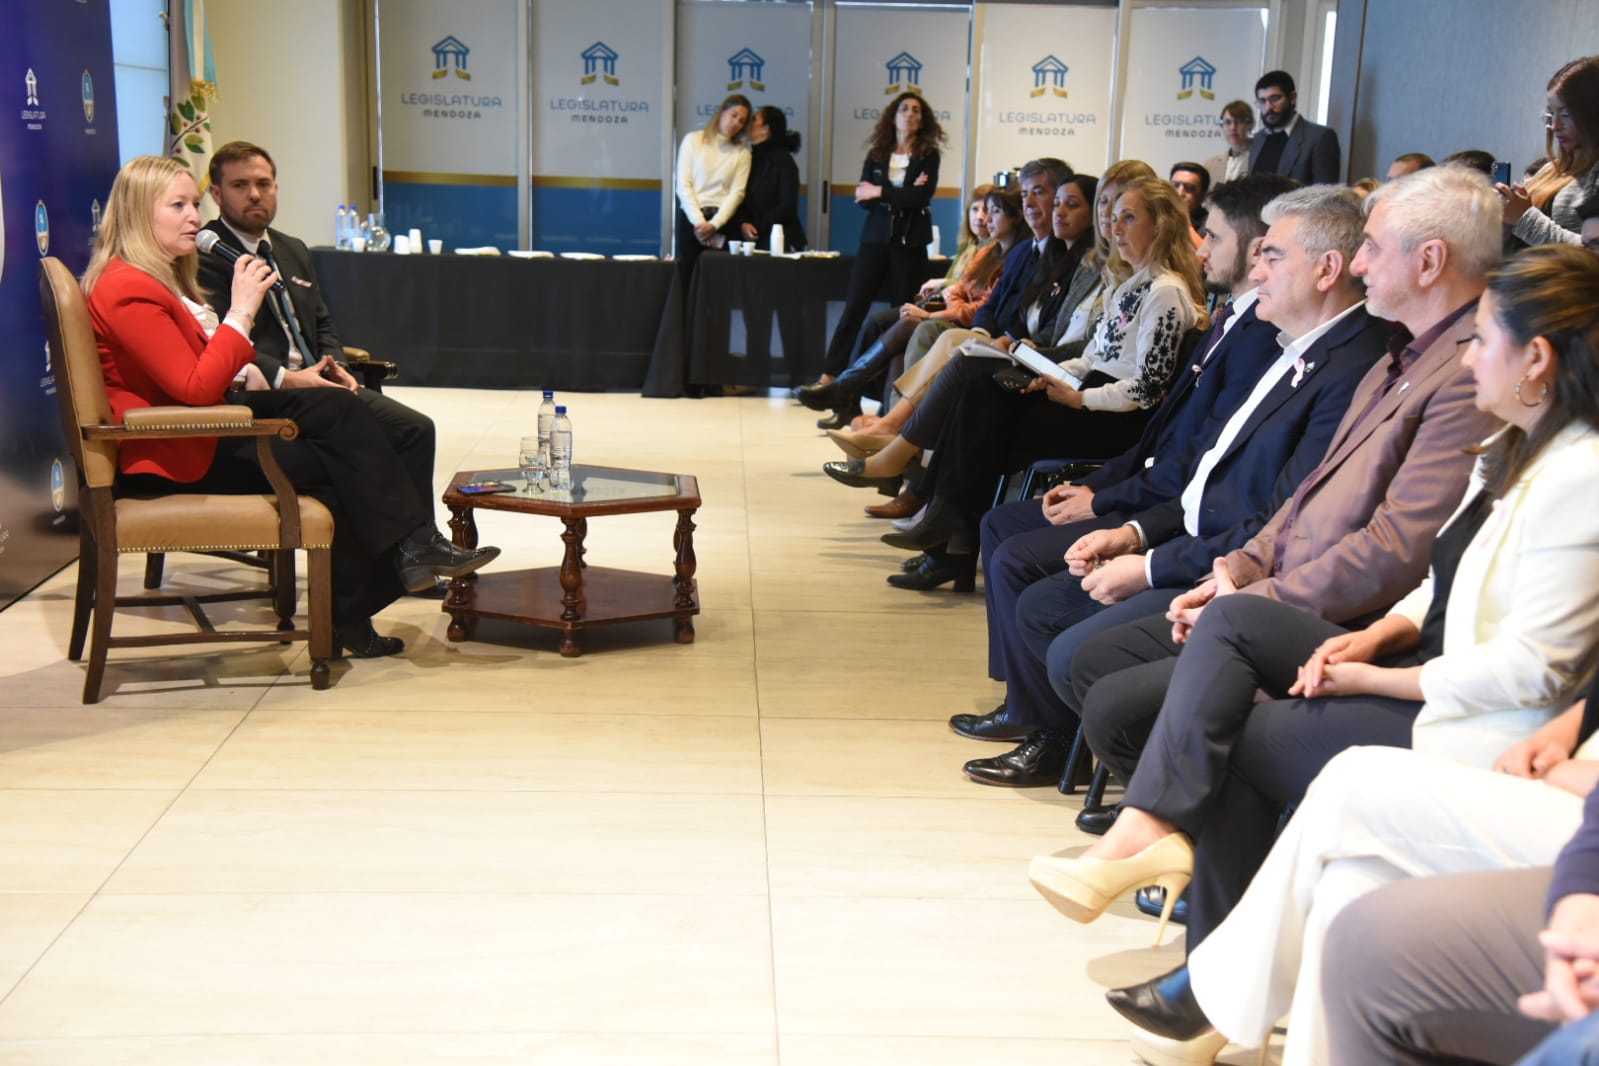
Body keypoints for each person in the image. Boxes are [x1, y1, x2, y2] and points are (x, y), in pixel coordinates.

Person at [1097, 244, 1599, 1066]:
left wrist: (1378, 678)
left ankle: (1210, 985)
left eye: (1481, 339)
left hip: (1493, 723)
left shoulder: (1578, 475)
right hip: (1433, 671)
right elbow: (1443, 577)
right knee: (1339, 879)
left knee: (1279, 757)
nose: (1467, 356)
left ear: (1536, 359)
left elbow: (1532, 670)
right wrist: (1381, 632)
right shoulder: (1514, 446)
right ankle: (1198, 949)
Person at [1057, 164, 1504, 938]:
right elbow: (1304, 501)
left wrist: (1252, 595)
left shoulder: (1464, 369)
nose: (1359, 263)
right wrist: (1236, 568)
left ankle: (1183, 863)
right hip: (1290, 592)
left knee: (1146, 706)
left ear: (1429, 261)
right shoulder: (1400, 354)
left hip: (1348, 620)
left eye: (1371, 247)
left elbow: (1396, 549)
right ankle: (1189, 878)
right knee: (1108, 678)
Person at [965, 186, 1388, 788]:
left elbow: (1276, 516)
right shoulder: (1292, 348)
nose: (1257, 272)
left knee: (1071, 643)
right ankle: (1069, 744)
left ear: (1326, 270)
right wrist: (1134, 531)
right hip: (1192, 532)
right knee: (1038, 598)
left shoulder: (1346, 365)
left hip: (1233, 566)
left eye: (1272, 257)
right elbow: (1205, 466)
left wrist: (1148, 561)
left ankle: (1154, 789)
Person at [83, 156, 498, 659]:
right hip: (175, 451)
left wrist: (255, 368)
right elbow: (194, 388)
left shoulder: (152, 279)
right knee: (343, 468)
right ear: (136, 213)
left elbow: (197, 368)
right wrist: (241, 311)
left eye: (194, 203)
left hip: (203, 426)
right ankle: (379, 582)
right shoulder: (128, 288)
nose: (194, 215)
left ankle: (403, 557)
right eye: (178, 206)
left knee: (341, 413)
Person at [852, 176, 1206, 589]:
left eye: (1129, 218)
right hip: (1091, 397)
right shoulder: (1129, 284)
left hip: (1118, 420)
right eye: (1114, 218)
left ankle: (946, 538)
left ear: (1160, 225)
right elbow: (1093, 358)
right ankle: (946, 535)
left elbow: (1148, 388)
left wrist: (1079, 399)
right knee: (980, 391)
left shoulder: (1165, 291)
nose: (1115, 228)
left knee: (984, 410)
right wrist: (1053, 375)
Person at [198, 141, 444, 601]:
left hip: (320, 385)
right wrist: (289, 377)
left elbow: (323, 321)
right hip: (266, 392)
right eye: (240, 185)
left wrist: (337, 366)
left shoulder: (291, 249)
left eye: (263, 184)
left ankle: (416, 558)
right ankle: (396, 560)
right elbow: (217, 340)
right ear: (216, 194)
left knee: (414, 428)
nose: (255, 195)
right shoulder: (205, 255)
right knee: (355, 448)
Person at [799, 186, 1016, 433]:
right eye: (977, 210)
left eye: (993, 211)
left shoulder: (1010, 255)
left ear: (1015, 217)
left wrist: (937, 310)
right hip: (952, 311)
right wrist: (953, 300)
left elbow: (979, 305)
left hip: (962, 320)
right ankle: (884, 420)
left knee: (909, 323)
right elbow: (958, 289)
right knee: (891, 337)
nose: (984, 218)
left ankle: (848, 390)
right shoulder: (984, 250)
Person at [810, 92, 945, 390]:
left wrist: (881, 191)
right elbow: (864, 198)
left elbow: (921, 196)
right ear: (893, 116)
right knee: (854, 307)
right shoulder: (878, 153)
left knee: (902, 312)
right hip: (875, 238)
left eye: (916, 110)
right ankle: (830, 375)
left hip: (909, 243)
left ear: (923, 119)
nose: (910, 114)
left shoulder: (929, 155)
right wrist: (900, 194)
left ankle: (894, 382)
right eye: (904, 109)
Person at [1502, 56, 1599, 247]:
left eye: (1566, 114)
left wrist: (1523, 219)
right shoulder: (1551, 169)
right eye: (1551, 114)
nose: (1555, 126)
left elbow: (1593, 252)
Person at [674, 93, 751, 282]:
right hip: (693, 220)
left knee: (720, 283)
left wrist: (714, 224)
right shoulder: (693, 140)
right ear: (722, 112)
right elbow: (683, 185)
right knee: (689, 280)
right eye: (734, 115)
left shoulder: (742, 153)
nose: (736, 123)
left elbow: (737, 193)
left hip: (724, 222)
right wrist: (700, 223)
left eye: (742, 121)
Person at [1248, 70, 1341, 185]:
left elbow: (1325, 193)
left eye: (1275, 98)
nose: (1268, 107)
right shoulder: (1258, 139)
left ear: (1292, 98)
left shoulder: (1320, 137)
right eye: (1262, 101)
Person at [735, 105, 806, 252]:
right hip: (752, 240)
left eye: (754, 119)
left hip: (780, 239)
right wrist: (743, 223)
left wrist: (757, 226)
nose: (748, 123)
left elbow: (787, 206)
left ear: (765, 129)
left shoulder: (783, 161)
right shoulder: (747, 158)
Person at [1204, 100, 1254, 185]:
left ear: (1250, 124)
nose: (1233, 127)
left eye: (1239, 121)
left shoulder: (1260, 158)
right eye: (1227, 122)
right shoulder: (1210, 165)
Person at [1169, 161, 1210, 239]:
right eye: (1175, 186)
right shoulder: (1158, 216)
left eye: (1189, 187)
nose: (1180, 193)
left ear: (1204, 195)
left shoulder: (1209, 226)